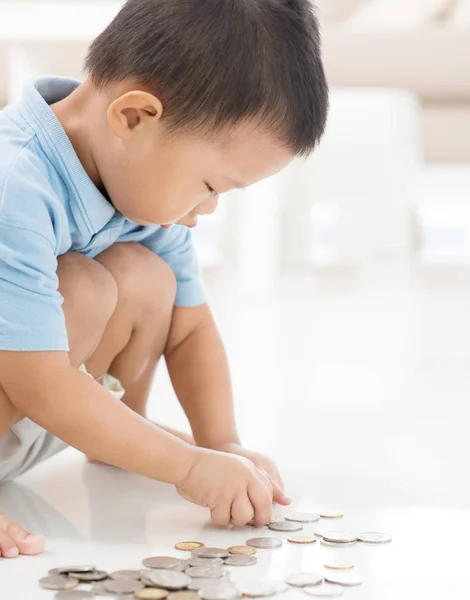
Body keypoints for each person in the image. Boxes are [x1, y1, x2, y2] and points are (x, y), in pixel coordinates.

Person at [0, 0, 328, 558]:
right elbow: (40, 384)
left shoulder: (130, 179)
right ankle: (126, 438)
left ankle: (122, 433)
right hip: (33, 388)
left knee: (145, 276)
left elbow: (190, 330)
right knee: (82, 288)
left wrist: (219, 442)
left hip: (30, 410)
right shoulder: (15, 182)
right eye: (208, 185)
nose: (207, 210)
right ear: (133, 117)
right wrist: (188, 467)